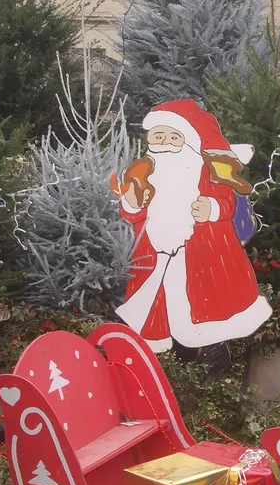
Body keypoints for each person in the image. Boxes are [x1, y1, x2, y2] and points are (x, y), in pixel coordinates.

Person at [113, 99, 271, 353]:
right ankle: (166, 356)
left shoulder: (204, 171)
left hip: (200, 253)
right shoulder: (143, 170)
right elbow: (132, 213)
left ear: (188, 140)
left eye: (173, 136)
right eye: (159, 135)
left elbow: (226, 200)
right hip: (154, 254)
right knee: (155, 308)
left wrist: (212, 208)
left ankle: (211, 352)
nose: (164, 142)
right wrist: (132, 204)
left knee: (202, 309)